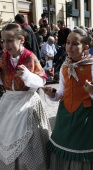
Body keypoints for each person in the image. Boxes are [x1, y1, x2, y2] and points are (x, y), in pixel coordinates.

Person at [43, 28, 93, 170]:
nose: (69, 47)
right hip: (65, 115)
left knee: (82, 151)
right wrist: (53, 94)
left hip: (85, 117)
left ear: (85, 47)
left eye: (75, 44)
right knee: (62, 148)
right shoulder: (64, 67)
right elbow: (62, 91)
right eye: (67, 43)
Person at [0, 23, 51, 169]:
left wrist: (27, 75)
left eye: (10, 41)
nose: (6, 45)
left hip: (26, 101)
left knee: (29, 139)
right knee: (5, 135)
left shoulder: (29, 57)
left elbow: (41, 80)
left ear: (21, 40)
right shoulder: (3, 57)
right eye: (3, 41)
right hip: (8, 102)